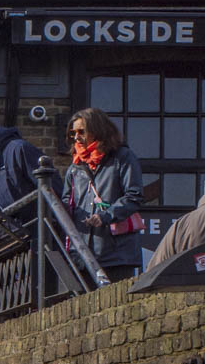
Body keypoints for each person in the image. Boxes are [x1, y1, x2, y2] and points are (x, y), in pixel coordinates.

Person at [61, 107, 145, 283]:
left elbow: (134, 195)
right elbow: (67, 203)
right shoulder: (75, 168)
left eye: (81, 131)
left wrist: (106, 216)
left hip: (117, 254)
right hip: (82, 255)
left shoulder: (122, 157)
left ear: (97, 129)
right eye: (73, 133)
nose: (76, 137)